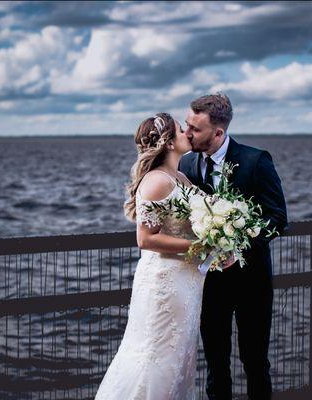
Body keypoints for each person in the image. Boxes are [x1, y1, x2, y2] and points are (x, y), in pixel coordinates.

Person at [179, 93, 288, 400]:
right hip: (208, 284)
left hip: (251, 282)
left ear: (218, 133)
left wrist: (237, 244)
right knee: (215, 367)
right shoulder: (186, 163)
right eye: (187, 126)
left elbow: (278, 218)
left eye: (195, 129)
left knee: (255, 363)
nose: (187, 134)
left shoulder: (256, 160)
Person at [95, 112, 209, 399]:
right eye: (182, 130)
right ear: (169, 143)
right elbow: (145, 239)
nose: (188, 134)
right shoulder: (156, 181)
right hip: (165, 283)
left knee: (178, 358)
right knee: (156, 358)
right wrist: (200, 245)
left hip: (187, 281)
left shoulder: (179, 176)